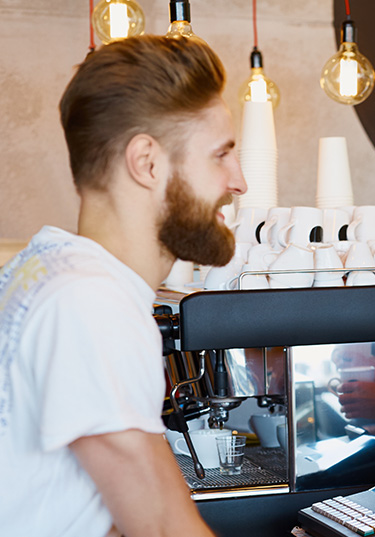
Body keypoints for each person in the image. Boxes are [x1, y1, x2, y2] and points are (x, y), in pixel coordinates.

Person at [0, 35, 246, 536]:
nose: (239, 180)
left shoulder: (45, 270)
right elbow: (159, 527)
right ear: (148, 163)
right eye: (220, 154)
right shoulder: (90, 304)